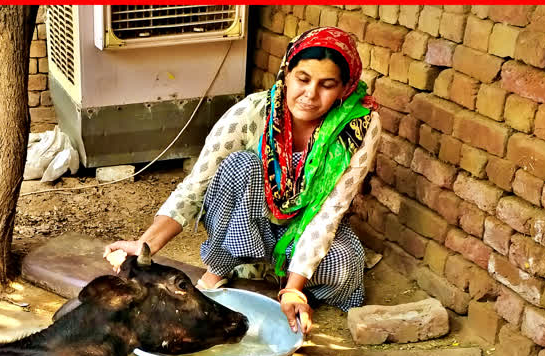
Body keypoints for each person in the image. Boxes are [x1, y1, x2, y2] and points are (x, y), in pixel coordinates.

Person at [105, 27, 381, 335]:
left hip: (302, 235)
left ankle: (286, 286)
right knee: (243, 165)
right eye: (303, 79)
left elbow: (328, 214)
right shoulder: (253, 112)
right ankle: (223, 267)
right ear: (286, 73)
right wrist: (146, 244)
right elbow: (197, 185)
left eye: (327, 85)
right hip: (249, 225)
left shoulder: (358, 127)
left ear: (344, 88)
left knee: (344, 263)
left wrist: (294, 287)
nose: (310, 94)